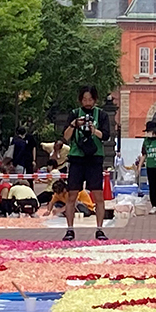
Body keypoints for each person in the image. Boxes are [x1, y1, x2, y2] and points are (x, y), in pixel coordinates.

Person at [61, 85, 111, 241]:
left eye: (90, 99)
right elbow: (66, 137)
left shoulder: (101, 115)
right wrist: (74, 124)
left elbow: (106, 136)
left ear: (95, 100)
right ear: (80, 100)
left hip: (94, 157)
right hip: (77, 157)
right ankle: (70, 229)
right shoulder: (74, 114)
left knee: (98, 195)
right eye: (84, 99)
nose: (87, 103)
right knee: (72, 194)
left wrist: (94, 130)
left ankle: (100, 229)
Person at [137, 121, 156, 214]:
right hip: (150, 167)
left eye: (149, 131)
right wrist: (139, 166)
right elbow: (144, 154)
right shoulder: (146, 141)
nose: (148, 133)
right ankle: (154, 205)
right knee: (152, 187)